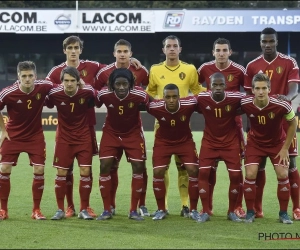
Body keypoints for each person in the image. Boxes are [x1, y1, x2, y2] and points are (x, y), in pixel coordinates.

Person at [46, 35, 142, 218]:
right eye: (70, 48)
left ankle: (85, 206)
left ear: (80, 50)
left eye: (76, 48)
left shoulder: (93, 67)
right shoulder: (55, 71)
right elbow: (48, 92)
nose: (73, 51)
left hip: (86, 126)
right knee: (65, 170)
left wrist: (129, 61)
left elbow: (114, 69)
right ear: (64, 50)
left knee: (85, 168)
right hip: (65, 128)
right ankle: (69, 207)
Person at [146, 34, 206, 217]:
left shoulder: (189, 69)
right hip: (161, 125)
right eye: (168, 46)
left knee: (184, 168)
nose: (171, 49)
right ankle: (162, 207)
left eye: (175, 46)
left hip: (183, 125)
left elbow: (198, 92)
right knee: (161, 168)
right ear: (163, 50)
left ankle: (185, 205)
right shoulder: (155, 69)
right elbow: (150, 93)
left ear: (180, 49)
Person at [244, 27, 300, 220]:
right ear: (260, 43)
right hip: (260, 123)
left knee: (290, 164)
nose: (268, 45)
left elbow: (294, 88)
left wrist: (287, 98)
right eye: (264, 42)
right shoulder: (252, 66)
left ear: (276, 42)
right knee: (256, 168)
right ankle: (257, 209)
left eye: (271, 41)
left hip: (284, 120)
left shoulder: (288, 62)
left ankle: (296, 208)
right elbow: (247, 95)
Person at [94, 39, 150, 217]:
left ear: (131, 53)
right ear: (114, 53)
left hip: (133, 130)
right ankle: (107, 208)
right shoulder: (104, 80)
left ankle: (136, 208)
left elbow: (151, 97)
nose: (123, 54)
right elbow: (93, 94)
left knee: (139, 166)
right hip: (111, 131)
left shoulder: (140, 73)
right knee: (106, 165)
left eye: (126, 51)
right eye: (119, 51)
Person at [197, 38, 246, 219]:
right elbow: (194, 85)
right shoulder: (204, 69)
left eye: (224, 50)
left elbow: (249, 94)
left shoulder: (240, 70)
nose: (221, 53)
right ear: (213, 52)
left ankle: (236, 207)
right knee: (208, 171)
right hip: (213, 123)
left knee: (236, 172)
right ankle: (206, 208)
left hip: (234, 126)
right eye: (218, 50)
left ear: (230, 52)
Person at [0, 61, 54, 220]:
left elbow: (60, 84)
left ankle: (36, 210)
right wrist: (3, 130)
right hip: (13, 136)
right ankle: (3, 210)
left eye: (31, 76)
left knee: (39, 170)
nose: (28, 79)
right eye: (24, 76)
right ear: (18, 77)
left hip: (35, 136)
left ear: (35, 76)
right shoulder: (8, 92)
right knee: (4, 168)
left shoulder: (44, 86)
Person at [241, 73, 297, 224]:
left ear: (269, 89)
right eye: (257, 88)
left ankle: (283, 213)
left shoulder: (282, 104)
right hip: (255, 144)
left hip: (277, 144)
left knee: (282, 173)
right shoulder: (245, 103)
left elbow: (293, 124)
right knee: (251, 173)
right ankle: (250, 212)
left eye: (264, 88)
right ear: (252, 90)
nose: (260, 92)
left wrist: (285, 148)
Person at [46, 66, 96, 220]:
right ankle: (60, 209)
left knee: (85, 172)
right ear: (61, 82)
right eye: (66, 81)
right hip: (64, 138)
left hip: (83, 137)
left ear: (78, 81)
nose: (69, 84)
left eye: (72, 81)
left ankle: (83, 209)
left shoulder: (87, 91)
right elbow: (47, 102)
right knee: (61, 172)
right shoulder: (55, 93)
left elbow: (95, 97)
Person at [146, 83, 199, 221]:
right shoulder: (155, 106)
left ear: (179, 97)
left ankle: (193, 209)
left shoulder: (188, 104)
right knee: (158, 171)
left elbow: (204, 97)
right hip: (163, 142)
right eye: (168, 97)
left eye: (174, 97)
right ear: (163, 97)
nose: (171, 100)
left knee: (193, 170)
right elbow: (142, 98)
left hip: (184, 142)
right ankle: (161, 209)